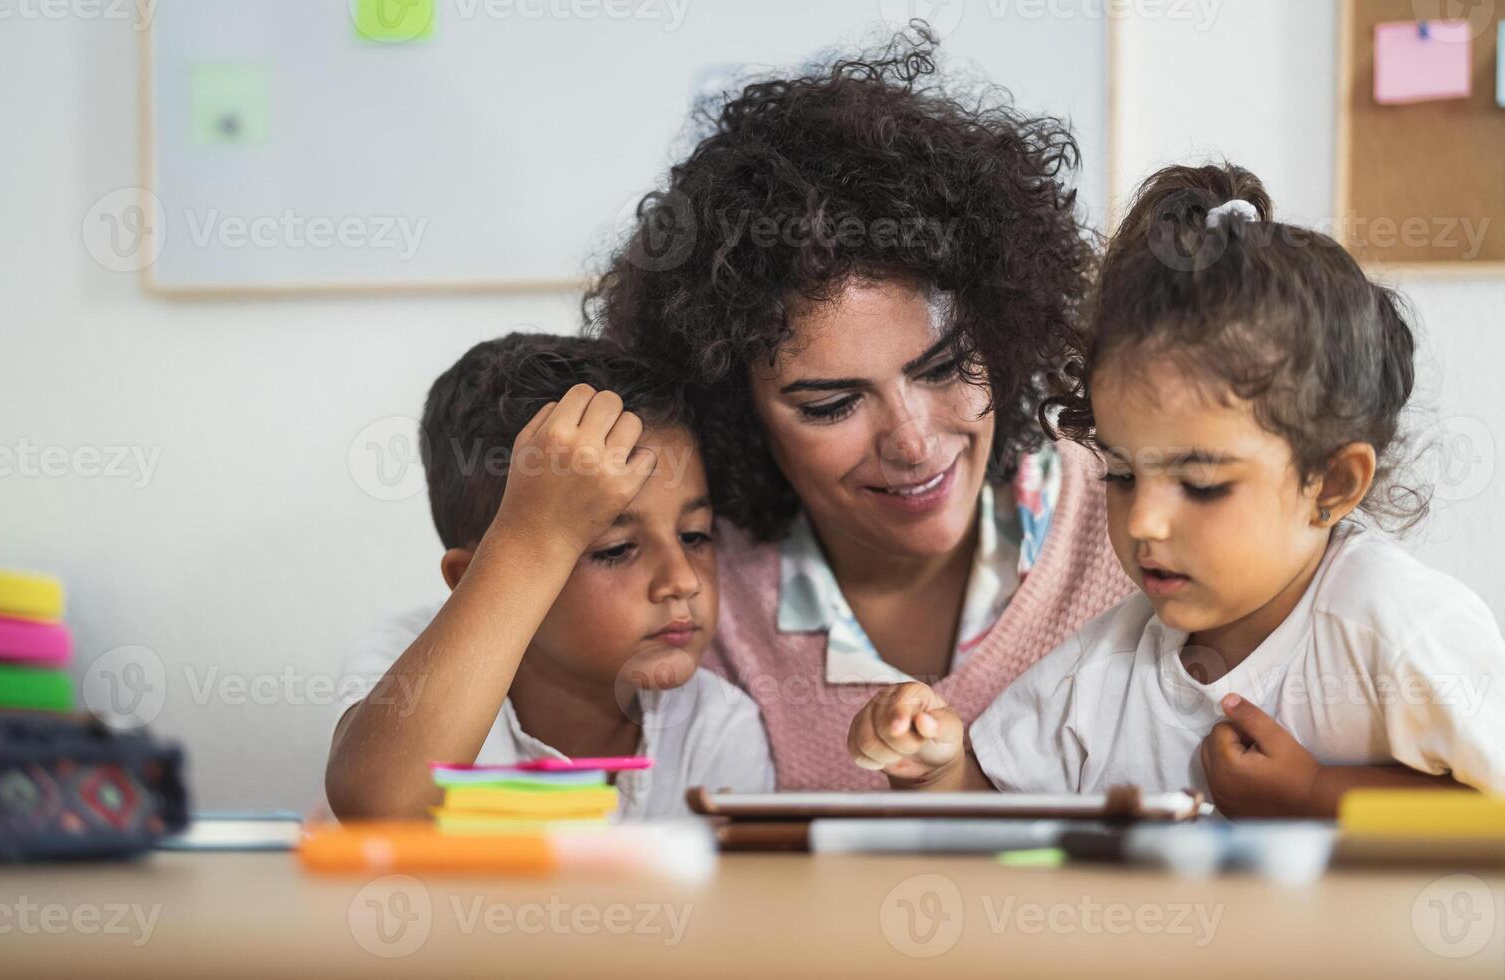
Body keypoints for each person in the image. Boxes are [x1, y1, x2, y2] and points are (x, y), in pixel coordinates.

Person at [846, 163, 1505, 815]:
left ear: (1329, 484)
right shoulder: (1103, 670)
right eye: (1123, 474)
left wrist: (1313, 795)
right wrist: (936, 771)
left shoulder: (1394, 629)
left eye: (1200, 484)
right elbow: (997, 817)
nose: (1143, 523)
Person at [586, 27, 1134, 789]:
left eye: (944, 366)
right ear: (735, 414)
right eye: (832, 405)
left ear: (1005, 332)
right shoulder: (693, 594)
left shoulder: (1137, 518)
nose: (911, 442)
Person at [326, 335, 773, 820]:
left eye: (694, 536)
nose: (682, 581)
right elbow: (380, 806)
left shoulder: (717, 726)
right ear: (473, 578)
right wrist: (528, 540)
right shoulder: (407, 656)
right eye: (616, 550)